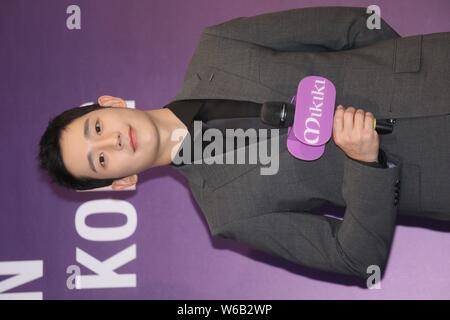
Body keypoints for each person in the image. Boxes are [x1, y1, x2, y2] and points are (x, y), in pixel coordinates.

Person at [38, 6, 450, 278]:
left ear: (108, 103)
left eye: (96, 128)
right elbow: (355, 257)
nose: (113, 141)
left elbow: (353, 25)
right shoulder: (229, 214)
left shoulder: (219, 45)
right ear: (121, 183)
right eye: (102, 160)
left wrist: (402, 79)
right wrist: (365, 165)